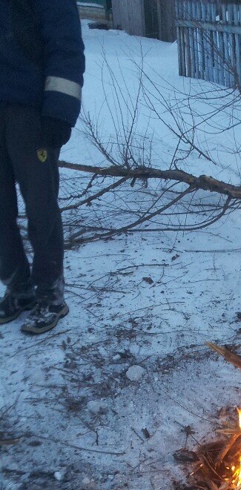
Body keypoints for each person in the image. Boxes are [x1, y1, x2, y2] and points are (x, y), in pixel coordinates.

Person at [0, 0, 85, 335]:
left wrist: (59, 112)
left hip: (31, 112)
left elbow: (65, 46)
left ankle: (49, 292)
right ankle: (17, 286)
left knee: (40, 205)